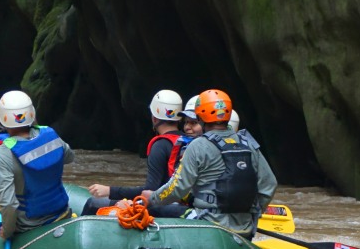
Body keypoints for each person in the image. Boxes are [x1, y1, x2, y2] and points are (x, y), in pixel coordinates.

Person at [119, 89, 277, 238]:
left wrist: (152, 198)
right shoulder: (248, 143)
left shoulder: (198, 146)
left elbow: (177, 187)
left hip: (209, 224)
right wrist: (252, 215)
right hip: (246, 227)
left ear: (200, 117)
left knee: (160, 208)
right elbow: (269, 184)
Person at [84, 90, 190, 217]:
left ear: (154, 118)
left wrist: (110, 190)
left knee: (93, 203)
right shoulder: (189, 141)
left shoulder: (160, 146)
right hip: (184, 203)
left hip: (165, 206)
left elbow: (150, 190)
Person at [0, 90, 73, 237]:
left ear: (2, 119)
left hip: (29, 227)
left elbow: (8, 204)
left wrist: (8, 232)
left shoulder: (3, 154)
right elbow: (68, 157)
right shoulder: (50, 135)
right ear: (32, 113)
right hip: (62, 213)